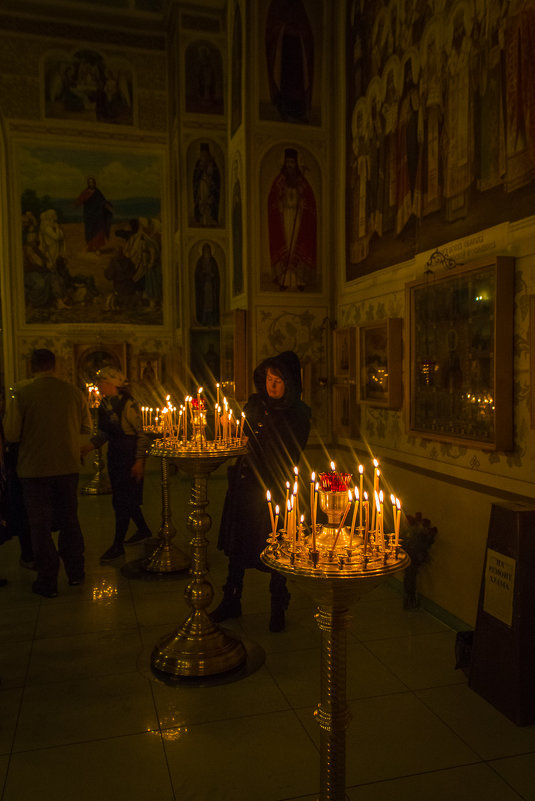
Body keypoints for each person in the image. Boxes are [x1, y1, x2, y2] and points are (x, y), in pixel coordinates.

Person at [212, 350, 311, 632]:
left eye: (279, 380)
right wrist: (228, 430)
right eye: (269, 378)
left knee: (276, 546)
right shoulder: (254, 404)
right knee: (238, 546)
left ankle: (277, 604)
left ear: (290, 382)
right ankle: (232, 598)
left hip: (276, 487)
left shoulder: (299, 413)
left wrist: (255, 441)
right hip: (245, 485)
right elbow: (240, 435)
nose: (273, 385)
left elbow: (289, 450)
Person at [3, 349, 92, 597]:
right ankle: (76, 573)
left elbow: (11, 434)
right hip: (67, 466)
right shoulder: (73, 392)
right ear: (55, 366)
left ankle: (47, 581)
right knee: (69, 520)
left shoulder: (22, 394)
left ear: (32, 367)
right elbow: (87, 426)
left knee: (40, 526)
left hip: (34, 470)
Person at [81, 367, 152, 561]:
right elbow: (105, 433)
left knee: (121, 501)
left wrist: (139, 462)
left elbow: (142, 434)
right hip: (115, 455)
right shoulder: (105, 403)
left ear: (113, 384)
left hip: (128, 456)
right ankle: (144, 530)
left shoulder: (128, 405)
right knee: (124, 499)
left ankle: (117, 545)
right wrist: (88, 446)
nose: (99, 386)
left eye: (102, 382)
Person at [267, 148, 317, 291]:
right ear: (284, 163)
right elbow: (272, 201)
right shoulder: (279, 182)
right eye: (288, 162)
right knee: (287, 247)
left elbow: (310, 202)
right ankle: (284, 280)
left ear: (296, 164)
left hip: (299, 220)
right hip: (285, 220)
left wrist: (302, 203)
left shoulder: (302, 182)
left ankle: (299, 280)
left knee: (296, 247)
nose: (290, 165)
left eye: (292, 162)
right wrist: (280, 202)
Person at [75, 176, 113, 254]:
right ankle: (91, 246)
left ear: (94, 183)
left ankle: (97, 248)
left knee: (98, 231)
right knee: (89, 231)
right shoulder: (85, 192)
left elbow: (103, 201)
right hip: (89, 215)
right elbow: (80, 200)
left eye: (92, 182)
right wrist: (77, 203)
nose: (91, 184)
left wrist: (108, 207)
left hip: (98, 215)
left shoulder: (97, 192)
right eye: (89, 182)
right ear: (88, 184)